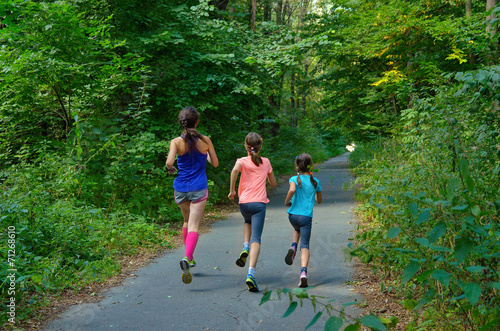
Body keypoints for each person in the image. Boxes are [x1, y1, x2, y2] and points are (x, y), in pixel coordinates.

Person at [166, 106, 218, 284]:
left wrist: (171, 168)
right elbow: (215, 163)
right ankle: (187, 258)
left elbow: (169, 163)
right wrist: (206, 154)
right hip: (199, 187)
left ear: (182, 122)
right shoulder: (206, 140)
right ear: (197, 121)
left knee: (186, 222)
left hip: (180, 188)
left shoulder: (176, 142)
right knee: (195, 225)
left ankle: (190, 256)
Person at [228, 132, 276, 292]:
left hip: (244, 203)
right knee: (257, 238)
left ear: (246, 146)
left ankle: (245, 246)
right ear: (260, 146)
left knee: (246, 221)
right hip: (259, 203)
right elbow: (274, 183)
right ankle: (251, 274)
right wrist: (268, 177)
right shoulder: (266, 162)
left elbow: (234, 171)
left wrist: (232, 190)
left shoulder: (241, 161)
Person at [284, 153, 322, 288]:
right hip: (306, 217)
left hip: (293, 216)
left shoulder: (294, 179)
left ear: (297, 166)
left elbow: (292, 189)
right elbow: (319, 201)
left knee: (296, 228)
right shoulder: (315, 182)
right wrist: (314, 195)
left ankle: (293, 245)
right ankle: (303, 273)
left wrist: (287, 200)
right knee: (305, 245)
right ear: (310, 166)